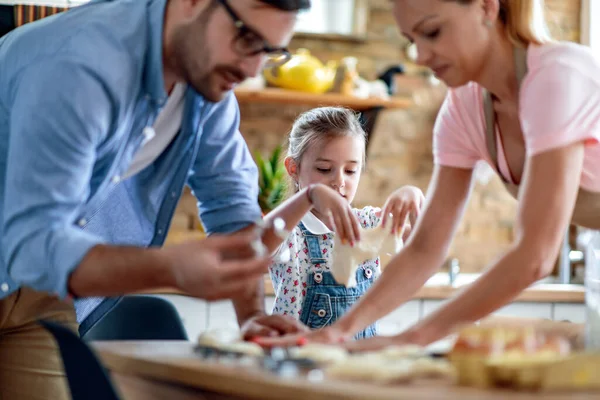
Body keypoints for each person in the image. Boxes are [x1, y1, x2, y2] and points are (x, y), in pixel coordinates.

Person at [0, 0, 320, 398]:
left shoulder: (207, 81)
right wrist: (169, 269)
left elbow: (233, 210)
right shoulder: (80, 64)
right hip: (30, 254)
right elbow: (30, 243)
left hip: (40, 295)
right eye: (246, 37)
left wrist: (252, 316)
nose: (252, 69)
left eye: (269, 51)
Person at [256, 0, 600, 351]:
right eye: (411, 39)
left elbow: (536, 255)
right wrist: (339, 331)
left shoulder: (557, 76)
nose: (419, 56)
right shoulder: (463, 109)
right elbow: (424, 249)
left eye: (432, 32)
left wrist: (410, 339)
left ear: (486, 7)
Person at [258, 107, 424, 340]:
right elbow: (255, 244)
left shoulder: (368, 222)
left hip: (357, 365)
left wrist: (414, 195)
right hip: (299, 364)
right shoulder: (289, 232)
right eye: (324, 169)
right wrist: (309, 196)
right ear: (294, 169)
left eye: (350, 170)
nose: (339, 181)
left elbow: (424, 245)